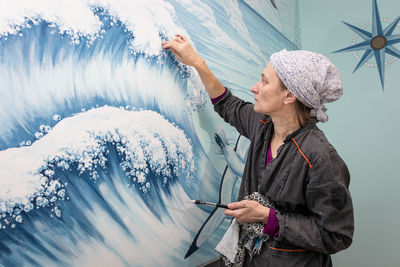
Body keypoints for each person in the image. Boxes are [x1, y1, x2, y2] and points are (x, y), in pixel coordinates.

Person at [162, 34, 354, 267]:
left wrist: (269, 218)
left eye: (264, 81)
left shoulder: (320, 158)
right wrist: (198, 63)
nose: (254, 88)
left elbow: (336, 235)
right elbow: (227, 104)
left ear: (289, 95)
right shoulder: (263, 124)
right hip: (251, 257)